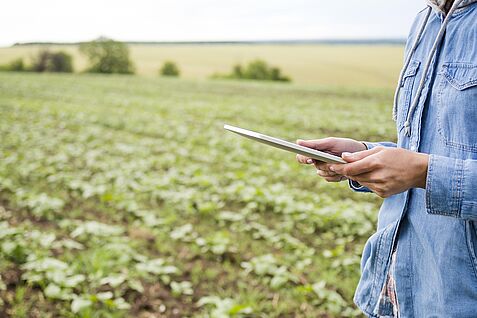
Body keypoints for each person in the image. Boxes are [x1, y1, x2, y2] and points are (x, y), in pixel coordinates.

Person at [296, 0, 477, 317]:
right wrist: (362, 153)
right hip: (396, 288)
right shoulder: (425, 22)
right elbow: (427, 148)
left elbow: (424, 166)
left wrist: (424, 173)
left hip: (459, 296)